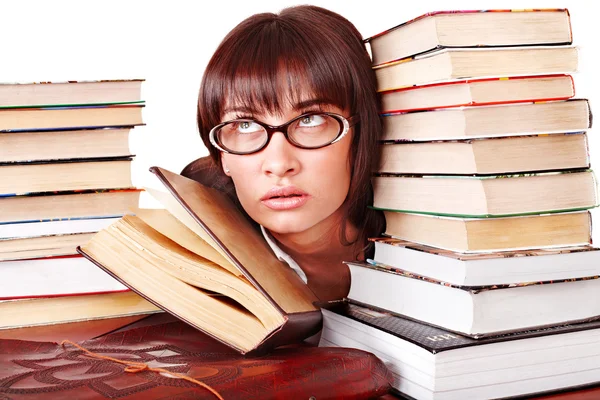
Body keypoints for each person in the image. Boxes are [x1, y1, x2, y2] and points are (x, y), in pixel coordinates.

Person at [182, 5, 384, 302]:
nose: (278, 164)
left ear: (360, 134)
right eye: (245, 125)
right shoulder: (191, 233)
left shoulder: (433, 235)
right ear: (222, 155)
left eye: (310, 120)